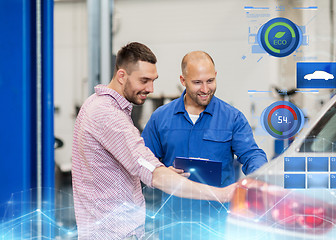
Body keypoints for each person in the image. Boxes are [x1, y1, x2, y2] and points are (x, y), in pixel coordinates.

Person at [71, 43, 237, 240]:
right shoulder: (108, 116)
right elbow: (154, 174)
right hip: (114, 233)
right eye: (144, 80)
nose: (150, 89)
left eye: (153, 80)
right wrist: (223, 194)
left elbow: (140, 165)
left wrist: (160, 170)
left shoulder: (94, 103)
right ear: (122, 76)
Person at [142, 51, 268, 239]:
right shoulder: (161, 118)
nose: (205, 89)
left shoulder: (232, 118)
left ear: (216, 76)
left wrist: (258, 178)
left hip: (216, 224)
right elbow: (143, 161)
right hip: (174, 224)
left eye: (210, 81)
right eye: (197, 83)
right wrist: (161, 170)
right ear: (183, 80)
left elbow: (252, 155)